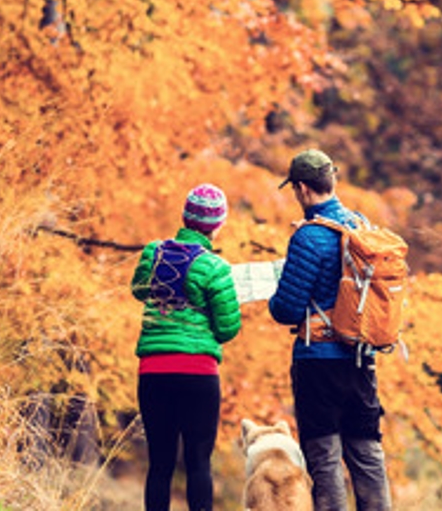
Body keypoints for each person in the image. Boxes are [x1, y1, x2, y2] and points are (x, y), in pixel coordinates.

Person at [268, 149, 393, 511]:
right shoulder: (361, 226)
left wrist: (276, 296)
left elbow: (287, 309)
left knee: (324, 459)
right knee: (367, 453)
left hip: (318, 362)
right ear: (332, 181)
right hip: (361, 358)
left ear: (303, 189)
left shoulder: (308, 238)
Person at [130, 183, 242, 511]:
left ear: (183, 216)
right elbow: (226, 329)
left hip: (153, 371)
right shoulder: (216, 268)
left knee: (160, 463)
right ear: (218, 226)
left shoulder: (154, 252)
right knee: (197, 463)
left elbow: (138, 290)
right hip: (198, 375)